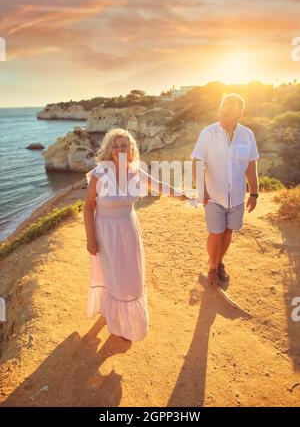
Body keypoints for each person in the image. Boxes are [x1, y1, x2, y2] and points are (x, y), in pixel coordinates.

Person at [84, 128, 188, 342]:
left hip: (129, 230)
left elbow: (160, 186)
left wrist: (184, 195)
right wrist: (91, 238)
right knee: (112, 274)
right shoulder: (99, 174)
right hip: (106, 232)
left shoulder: (135, 171)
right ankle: (116, 320)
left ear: (131, 149)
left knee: (130, 276)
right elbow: (88, 207)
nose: (119, 149)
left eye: (124, 145)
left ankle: (128, 321)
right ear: (109, 149)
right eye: (115, 145)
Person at [191, 93, 259, 286]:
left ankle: (220, 262)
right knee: (216, 232)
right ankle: (212, 268)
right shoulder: (208, 133)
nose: (223, 114)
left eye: (229, 112)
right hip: (213, 196)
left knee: (228, 232)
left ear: (240, 114)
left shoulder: (247, 135)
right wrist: (201, 190)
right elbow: (197, 162)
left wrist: (254, 193)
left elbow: (251, 167)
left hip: (237, 196)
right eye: (221, 109)